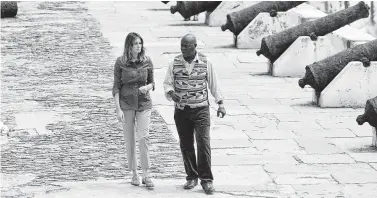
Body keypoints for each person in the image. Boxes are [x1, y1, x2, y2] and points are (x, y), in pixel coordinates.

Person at [163, 34, 226, 195]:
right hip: (182, 111)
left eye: (186, 46)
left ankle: (207, 180)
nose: (183, 49)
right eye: (181, 46)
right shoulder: (174, 63)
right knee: (186, 144)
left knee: (203, 143)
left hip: (201, 109)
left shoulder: (206, 62)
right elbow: (167, 83)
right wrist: (171, 93)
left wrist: (220, 104)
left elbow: (214, 84)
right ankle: (191, 176)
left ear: (194, 46)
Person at [112, 32, 155, 188]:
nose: (139, 46)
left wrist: (147, 87)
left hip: (144, 103)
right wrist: (118, 109)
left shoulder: (147, 61)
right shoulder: (120, 63)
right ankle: (135, 173)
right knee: (130, 139)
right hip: (126, 103)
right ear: (129, 46)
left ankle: (146, 173)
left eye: (140, 43)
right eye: (136, 43)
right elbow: (116, 87)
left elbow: (152, 83)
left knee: (144, 137)